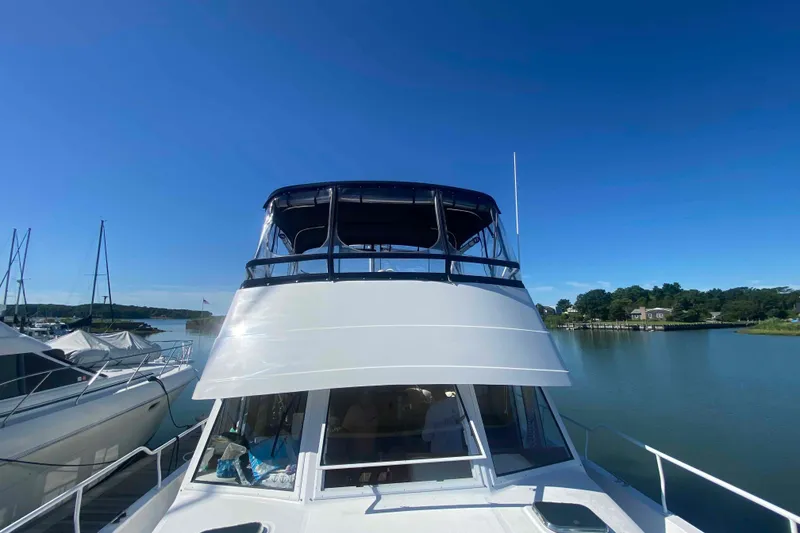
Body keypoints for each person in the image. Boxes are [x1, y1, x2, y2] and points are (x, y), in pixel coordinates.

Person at [422, 387, 466, 456]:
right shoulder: (458, 404)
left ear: (433, 395)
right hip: (457, 450)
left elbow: (426, 437)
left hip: (440, 453)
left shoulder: (432, 411)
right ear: (444, 392)